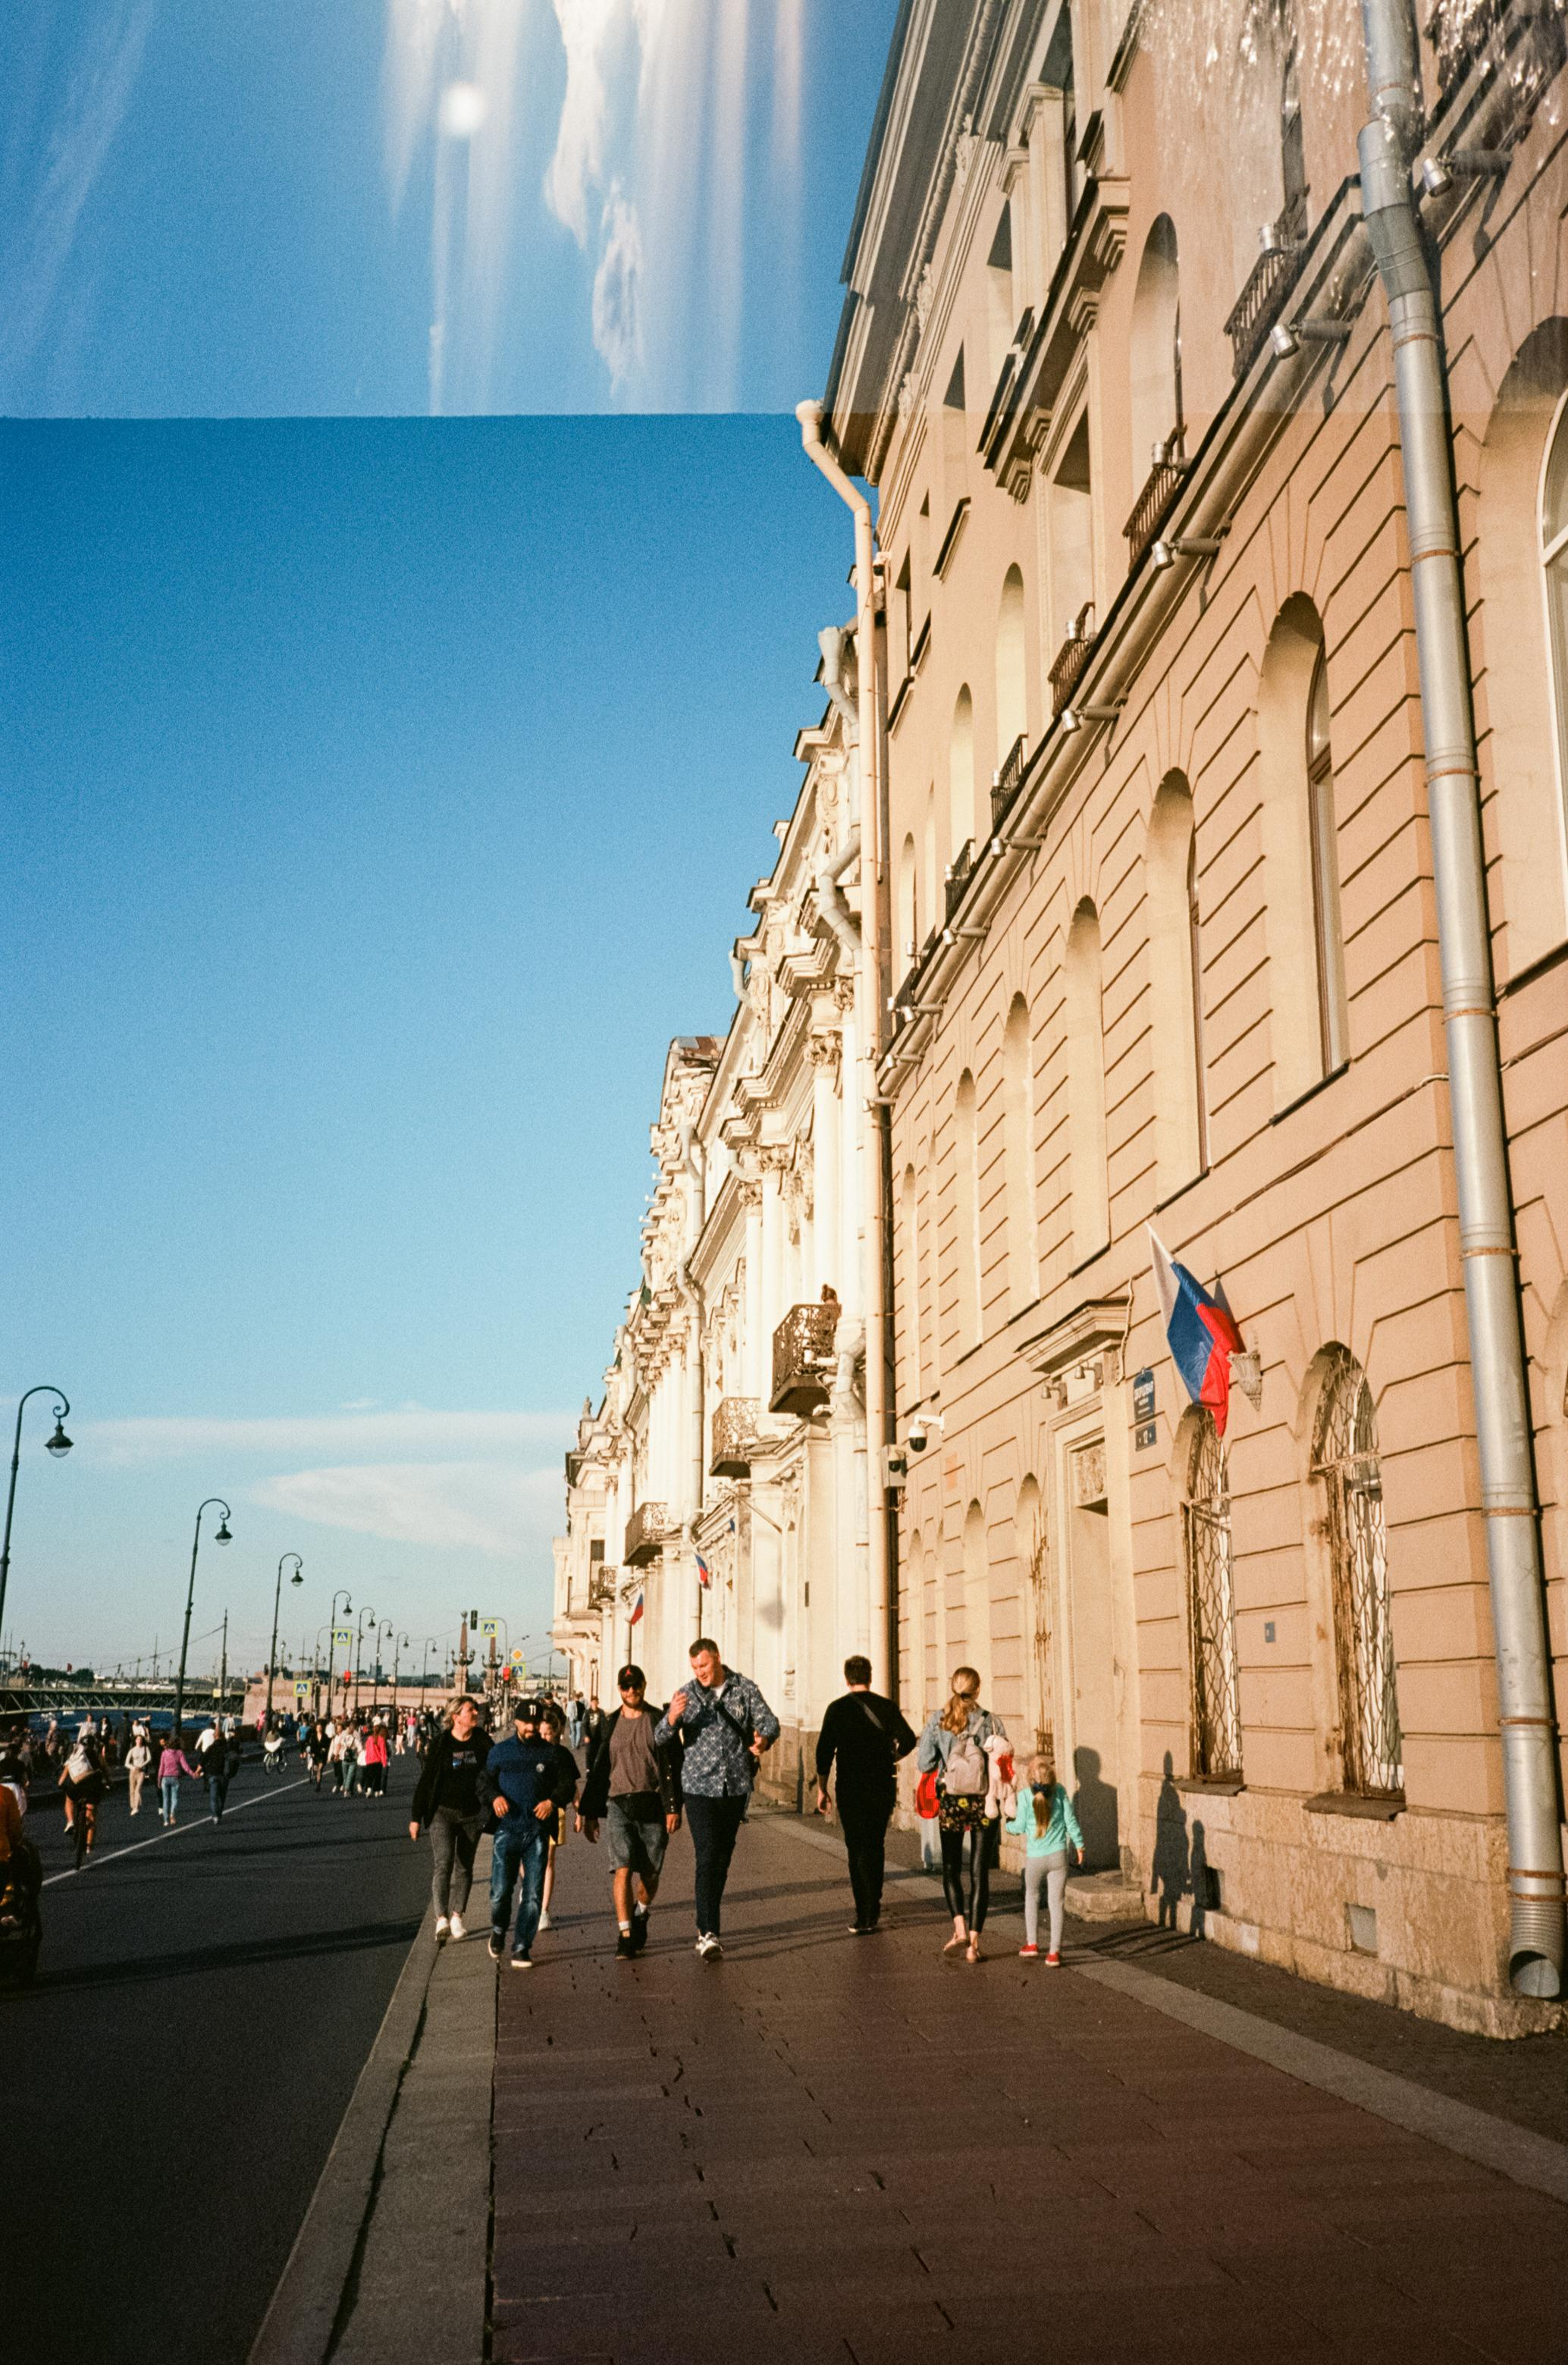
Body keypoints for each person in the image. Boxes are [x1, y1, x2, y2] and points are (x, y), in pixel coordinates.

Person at [656, 1638, 779, 1961]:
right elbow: (660, 1737)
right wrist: (671, 1718)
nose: (700, 1673)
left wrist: (762, 1740)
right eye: (695, 1667)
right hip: (698, 1787)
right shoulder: (686, 1695)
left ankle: (708, 1921)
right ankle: (707, 1932)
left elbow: (770, 1722)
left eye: (705, 1666)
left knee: (722, 1858)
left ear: (718, 1660)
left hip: (735, 1786)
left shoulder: (744, 1689)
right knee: (707, 1855)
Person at [576, 1664, 683, 1959]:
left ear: (644, 1685)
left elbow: (675, 1763)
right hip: (618, 1804)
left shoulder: (658, 1720)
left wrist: (674, 1807)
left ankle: (642, 1913)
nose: (632, 1691)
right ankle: (625, 1933)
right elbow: (598, 1771)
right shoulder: (609, 1724)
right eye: (626, 1687)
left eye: (636, 1685)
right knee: (621, 1869)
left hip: (652, 1804)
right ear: (619, 1690)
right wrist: (590, 1814)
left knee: (649, 1874)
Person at [814, 1654, 917, 1935]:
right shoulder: (885, 1706)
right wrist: (891, 1756)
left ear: (847, 1679)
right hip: (881, 1785)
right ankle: (875, 1903)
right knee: (876, 1844)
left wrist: (822, 1788)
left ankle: (864, 1913)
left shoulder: (837, 1709)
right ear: (870, 1677)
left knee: (856, 1847)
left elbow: (824, 1752)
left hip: (850, 1787)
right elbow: (908, 1738)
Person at [916, 1666, 1008, 1965]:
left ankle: (958, 1929)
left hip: (952, 1801)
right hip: (985, 1802)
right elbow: (1005, 1761)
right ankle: (975, 1944)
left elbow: (924, 1762)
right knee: (979, 1873)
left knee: (951, 1868)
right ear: (978, 1690)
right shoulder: (991, 1721)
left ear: (952, 1688)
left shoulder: (938, 1720)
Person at [480, 1698, 579, 1969]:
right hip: (507, 1831)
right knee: (500, 1892)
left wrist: (552, 1802)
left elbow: (567, 1784)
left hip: (536, 1833)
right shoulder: (500, 1752)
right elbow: (484, 1782)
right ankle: (499, 1928)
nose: (532, 1728)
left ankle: (522, 1947)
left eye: (536, 1723)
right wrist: (495, 1798)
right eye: (527, 1722)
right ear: (517, 1722)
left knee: (533, 1895)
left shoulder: (552, 1754)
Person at [409, 1695, 488, 1940]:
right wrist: (416, 1816)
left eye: (476, 1709)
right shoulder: (442, 1743)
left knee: (464, 1867)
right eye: (470, 1710)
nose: (475, 1713)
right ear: (456, 1717)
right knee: (443, 1864)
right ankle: (441, 1918)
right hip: (442, 1813)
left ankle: (457, 1917)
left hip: (472, 1815)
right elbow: (427, 1779)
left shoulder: (482, 1741)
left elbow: (497, 1767)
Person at [1005, 1752, 1083, 1964]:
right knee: (1056, 1903)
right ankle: (1054, 1952)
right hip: (1058, 1856)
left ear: (1031, 1780)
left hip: (1035, 1858)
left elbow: (1019, 1826)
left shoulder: (1024, 1796)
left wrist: (1007, 1825)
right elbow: (1070, 1821)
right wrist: (1079, 1844)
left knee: (1031, 1897)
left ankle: (1032, 1943)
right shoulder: (1059, 1792)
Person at [537, 1703, 571, 1930]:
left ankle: (544, 1911)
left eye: (549, 1733)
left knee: (548, 1859)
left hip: (555, 1810)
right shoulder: (529, 1753)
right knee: (530, 1861)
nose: (545, 1738)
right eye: (541, 1733)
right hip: (531, 1813)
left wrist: (581, 1812)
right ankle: (532, 1890)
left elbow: (571, 1784)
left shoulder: (561, 1755)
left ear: (556, 1733)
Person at [60, 1733, 108, 1858]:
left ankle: (70, 1821)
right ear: (94, 1744)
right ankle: (88, 1846)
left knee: (69, 1800)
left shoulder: (76, 1753)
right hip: (93, 1785)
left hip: (76, 1785)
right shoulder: (97, 1754)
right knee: (91, 1816)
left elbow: (67, 1769)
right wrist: (109, 1783)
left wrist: (60, 1783)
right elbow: (105, 1770)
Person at [158, 1732, 197, 1825]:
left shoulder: (164, 1753)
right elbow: (185, 1767)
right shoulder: (180, 1753)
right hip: (175, 1778)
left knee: (165, 1799)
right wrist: (193, 1774)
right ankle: (172, 1814)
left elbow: (161, 1768)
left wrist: (159, 1780)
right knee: (174, 1799)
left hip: (165, 1778)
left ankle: (166, 1820)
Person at [205, 1727, 237, 1820]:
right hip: (224, 1775)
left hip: (213, 1774)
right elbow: (234, 1759)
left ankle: (215, 1816)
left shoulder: (211, 1748)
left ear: (214, 1737)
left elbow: (204, 1760)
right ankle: (219, 1813)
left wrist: (197, 1771)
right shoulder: (227, 1747)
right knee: (222, 1796)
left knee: (213, 1797)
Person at [124, 1731, 152, 1817]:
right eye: (138, 1739)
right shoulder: (132, 1750)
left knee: (138, 1789)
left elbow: (149, 1758)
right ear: (135, 1741)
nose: (139, 1740)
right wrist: (133, 1768)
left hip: (141, 1771)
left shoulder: (145, 1748)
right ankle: (133, 1806)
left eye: (140, 1739)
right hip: (133, 1771)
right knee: (132, 1790)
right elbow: (126, 1763)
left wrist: (142, 1766)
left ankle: (136, 1807)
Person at [362, 1721, 389, 1797]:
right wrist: (384, 1762)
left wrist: (366, 1760)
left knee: (369, 1777)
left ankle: (369, 1789)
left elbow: (367, 1750)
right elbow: (383, 1752)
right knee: (377, 1777)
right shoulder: (381, 1739)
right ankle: (376, 1790)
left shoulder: (369, 1739)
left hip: (370, 1760)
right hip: (378, 1761)